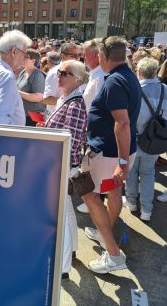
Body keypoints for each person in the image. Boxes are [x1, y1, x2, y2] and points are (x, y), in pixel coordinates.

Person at [82, 36, 141, 274]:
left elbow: (122, 124)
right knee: (113, 191)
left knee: (88, 194)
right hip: (115, 153)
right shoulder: (128, 75)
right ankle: (104, 231)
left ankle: (114, 254)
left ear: (104, 57)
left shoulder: (115, 80)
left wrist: (122, 162)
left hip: (108, 154)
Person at [39, 60, 88, 280]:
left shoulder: (75, 104)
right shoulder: (65, 99)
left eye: (64, 73)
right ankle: (72, 252)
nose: (58, 76)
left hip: (63, 165)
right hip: (60, 163)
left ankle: (63, 266)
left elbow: (73, 141)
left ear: (76, 79)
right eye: (58, 72)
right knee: (67, 211)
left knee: (59, 216)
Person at [125, 58, 167, 218]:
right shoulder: (165, 89)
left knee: (132, 172)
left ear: (139, 72)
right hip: (155, 140)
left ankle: (131, 203)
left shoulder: (134, 90)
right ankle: (147, 210)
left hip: (135, 139)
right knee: (149, 173)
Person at [77, 38, 106, 214]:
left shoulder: (100, 76)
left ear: (95, 55)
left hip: (95, 131)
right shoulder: (95, 74)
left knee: (95, 170)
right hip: (90, 129)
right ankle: (93, 202)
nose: (82, 57)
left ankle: (95, 204)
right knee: (91, 168)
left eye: (84, 53)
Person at [43, 43, 81, 116]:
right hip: (56, 117)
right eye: (73, 56)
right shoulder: (54, 73)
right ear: (63, 56)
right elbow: (46, 99)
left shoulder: (79, 71)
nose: (77, 58)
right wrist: (69, 102)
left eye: (79, 55)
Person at [17, 49, 45, 126]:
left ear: (33, 61)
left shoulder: (37, 75)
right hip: (23, 115)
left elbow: (38, 97)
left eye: (25, 56)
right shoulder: (23, 72)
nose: (22, 58)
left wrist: (17, 92)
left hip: (34, 117)